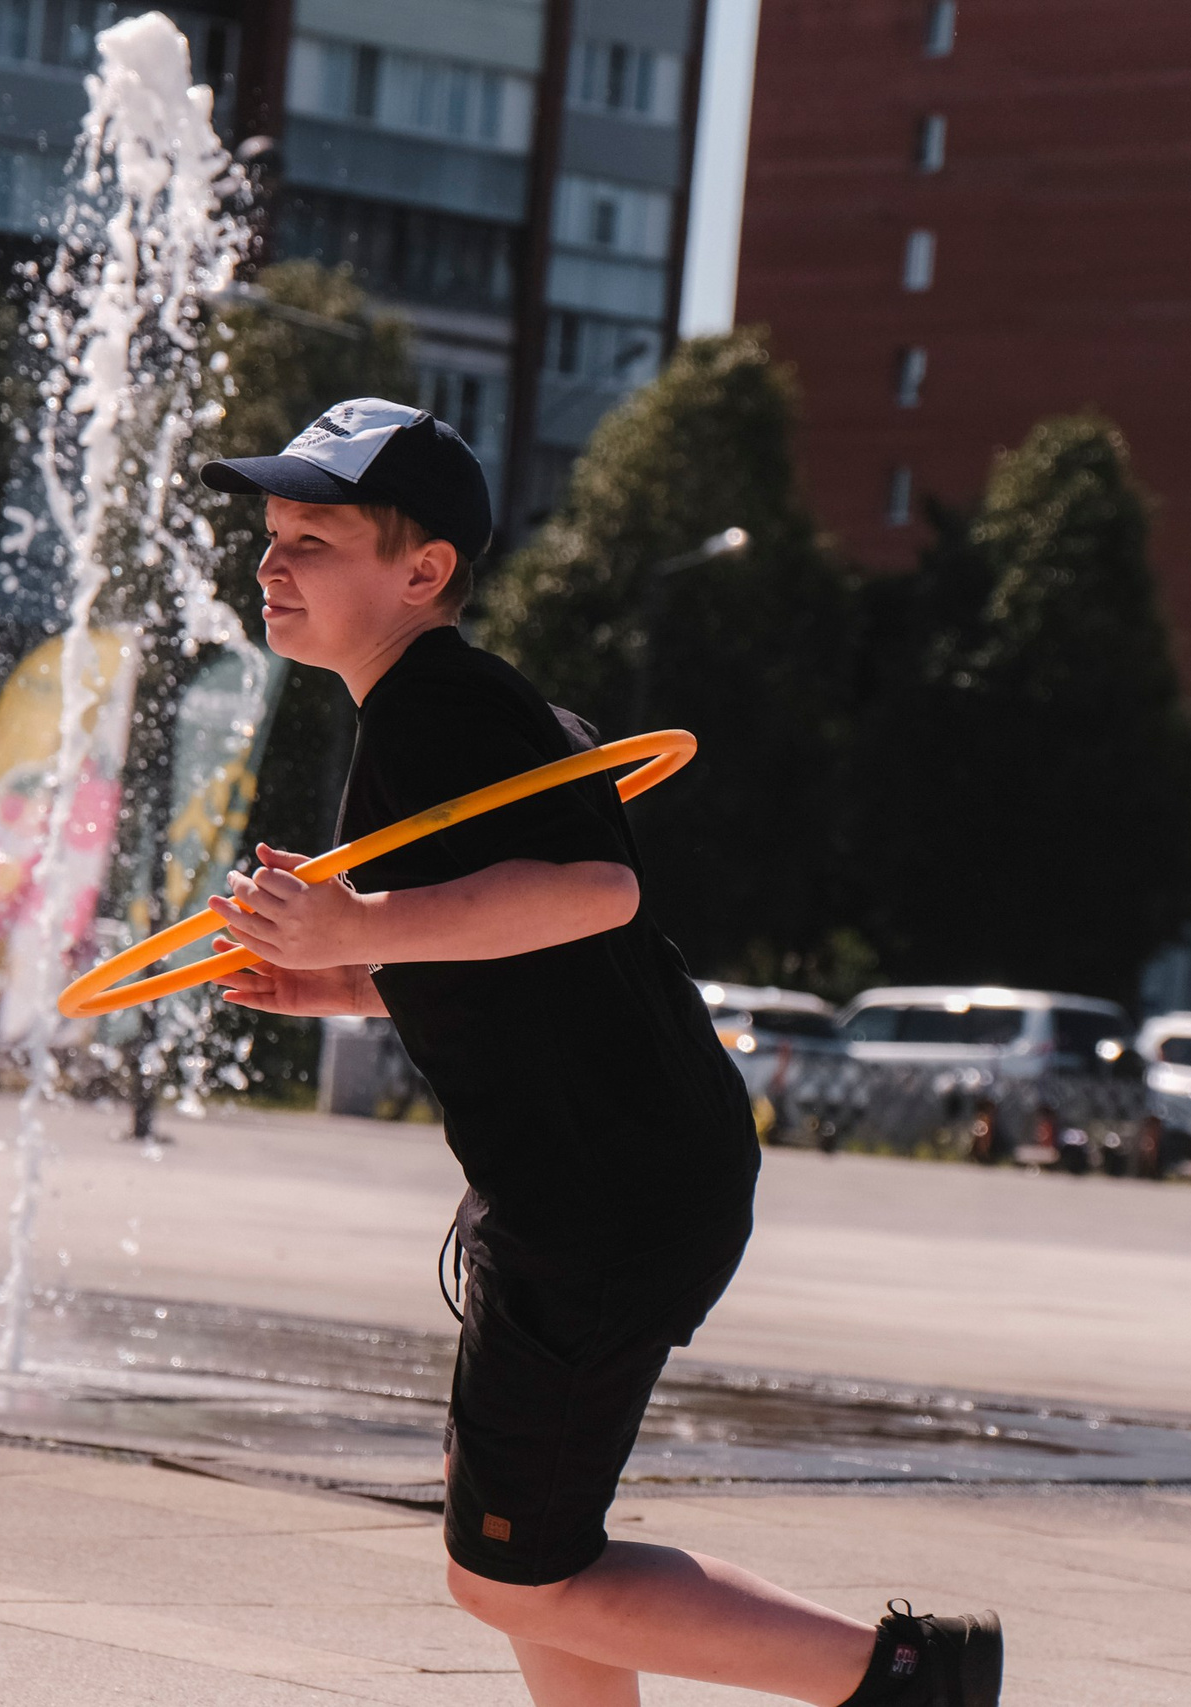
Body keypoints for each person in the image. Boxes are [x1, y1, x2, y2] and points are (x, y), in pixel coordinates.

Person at [196, 399, 1003, 1707]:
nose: (272, 564)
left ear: (423, 571)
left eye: (314, 538)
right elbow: (525, 972)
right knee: (516, 1539)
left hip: (603, 1193)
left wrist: (365, 921)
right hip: (612, 1173)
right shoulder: (456, 707)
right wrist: (340, 976)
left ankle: (908, 1679)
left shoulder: (436, 715)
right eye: (273, 535)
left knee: (510, 1570)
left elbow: (593, 899)